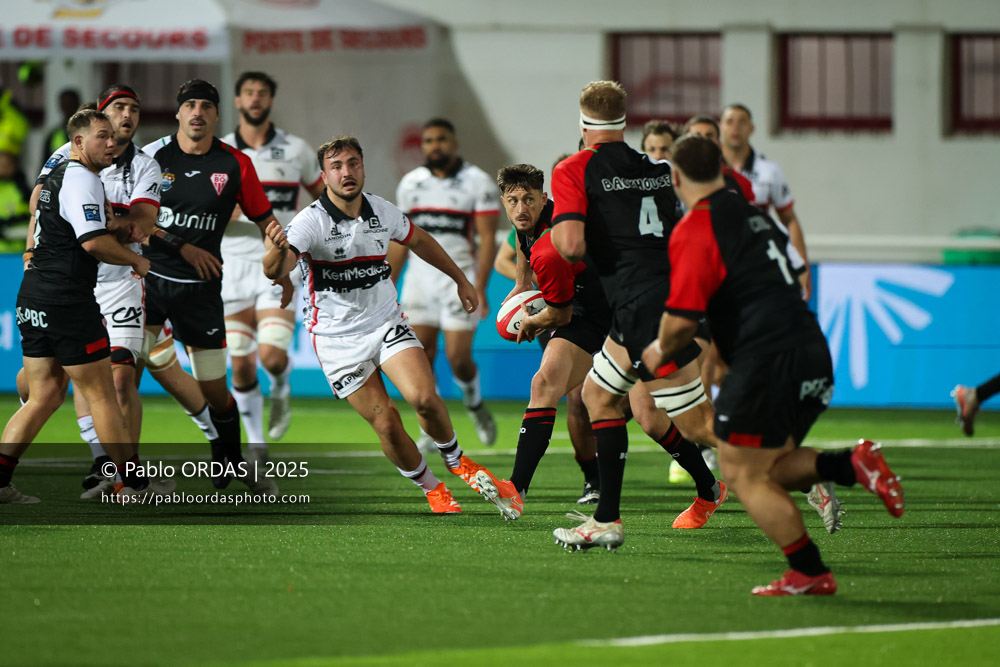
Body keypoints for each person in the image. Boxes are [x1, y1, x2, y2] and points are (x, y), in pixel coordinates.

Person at [641, 135, 904, 595]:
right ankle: (852, 464)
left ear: (676, 177)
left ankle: (810, 570)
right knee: (770, 467)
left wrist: (657, 351)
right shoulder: (755, 215)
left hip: (767, 359)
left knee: (740, 472)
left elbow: (681, 321)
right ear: (722, 170)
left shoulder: (696, 227)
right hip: (812, 350)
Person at [262, 136, 497, 513]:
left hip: (386, 323)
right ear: (323, 176)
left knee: (425, 399)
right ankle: (432, 488)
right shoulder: (310, 222)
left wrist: (461, 279)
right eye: (337, 166)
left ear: (363, 168)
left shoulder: (382, 210)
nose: (346, 172)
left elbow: (419, 240)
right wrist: (275, 254)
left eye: (353, 163)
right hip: (336, 339)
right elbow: (278, 267)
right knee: (386, 424)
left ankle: (457, 461)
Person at [548, 81, 727, 551]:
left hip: (644, 307)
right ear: (625, 122)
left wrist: (563, 238)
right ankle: (608, 518)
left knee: (699, 425)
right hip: (659, 296)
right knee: (598, 396)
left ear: (583, 122)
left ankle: (810, 470)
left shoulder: (573, 168)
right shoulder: (658, 167)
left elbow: (570, 246)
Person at [27, 86, 221, 498]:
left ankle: (124, 475)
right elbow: (37, 206)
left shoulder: (146, 165)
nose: (128, 115)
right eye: (119, 107)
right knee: (36, 385)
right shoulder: (68, 155)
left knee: (116, 380)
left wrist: (104, 222)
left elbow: (143, 223)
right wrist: (40, 246)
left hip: (120, 283)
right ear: (99, 116)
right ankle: (111, 466)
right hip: (71, 280)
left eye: (134, 108)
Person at [1, 109, 171, 503]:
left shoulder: (58, 176)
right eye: (101, 136)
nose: (111, 143)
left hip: (34, 295)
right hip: (67, 301)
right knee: (102, 395)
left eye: (112, 136)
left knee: (43, 395)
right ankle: (136, 484)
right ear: (78, 142)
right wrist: (136, 261)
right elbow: (92, 242)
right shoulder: (82, 178)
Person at [687, 113, 843, 534]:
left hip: (739, 315)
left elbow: (782, 225)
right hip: (794, 338)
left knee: (708, 425)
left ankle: (610, 511)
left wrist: (660, 342)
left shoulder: (720, 203)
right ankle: (829, 472)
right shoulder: (744, 210)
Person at [141, 79, 282, 493]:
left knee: (215, 389)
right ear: (178, 113)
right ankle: (122, 475)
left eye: (206, 106)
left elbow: (267, 224)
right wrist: (182, 247)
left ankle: (230, 461)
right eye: (190, 105)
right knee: (122, 374)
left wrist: (283, 265)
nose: (197, 112)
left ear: (217, 115)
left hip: (200, 290)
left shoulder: (236, 164)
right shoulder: (152, 157)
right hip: (149, 282)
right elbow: (134, 222)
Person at [475, 164, 613, 518]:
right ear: (504, 202)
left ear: (544, 199)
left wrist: (530, 322)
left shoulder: (552, 243)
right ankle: (516, 490)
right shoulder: (526, 222)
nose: (521, 209)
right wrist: (522, 284)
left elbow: (559, 317)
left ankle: (711, 486)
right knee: (545, 384)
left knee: (650, 416)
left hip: (618, 314)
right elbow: (522, 241)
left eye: (528, 200)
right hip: (584, 313)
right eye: (513, 200)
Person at [220, 71, 325, 458]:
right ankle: (256, 442)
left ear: (270, 100)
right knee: (241, 365)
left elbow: (324, 197)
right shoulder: (221, 152)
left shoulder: (296, 149)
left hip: (279, 260)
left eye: (262, 93)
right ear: (237, 100)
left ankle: (280, 385)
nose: (255, 99)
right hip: (231, 263)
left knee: (272, 357)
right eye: (248, 92)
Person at [391, 118, 499, 450]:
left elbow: (487, 238)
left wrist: (481, 286)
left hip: (458, 280)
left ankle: (474, 404)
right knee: (421, 357)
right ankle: (431, 427)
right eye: (428, 140)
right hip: (418, 283)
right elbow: (400, 240)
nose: (434, 146)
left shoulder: (477, 182)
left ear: (454, 143)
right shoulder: (410, 184)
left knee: (458, 359)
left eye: (440, 139)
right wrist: (389, 283)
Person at [720, 104, 811, 299]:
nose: (735, 128)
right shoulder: (708, 170)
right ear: (720, 126)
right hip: (721, 259)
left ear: (752, 128)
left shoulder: (769, 171)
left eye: (742, 122)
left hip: (759, 259)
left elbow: (790, 220)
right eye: (729, 122)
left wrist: (801, 265)